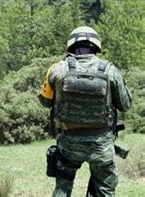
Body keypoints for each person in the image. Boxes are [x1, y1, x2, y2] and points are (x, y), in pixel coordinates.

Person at [39, 26, 132, 197]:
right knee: (105, 191)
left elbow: (45, 101)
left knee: (62, 189)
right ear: (96, 46)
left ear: (71, 46)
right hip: (101, 145)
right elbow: (126, 105)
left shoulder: (56, 69)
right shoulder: (110, 71)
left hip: (68, 144)